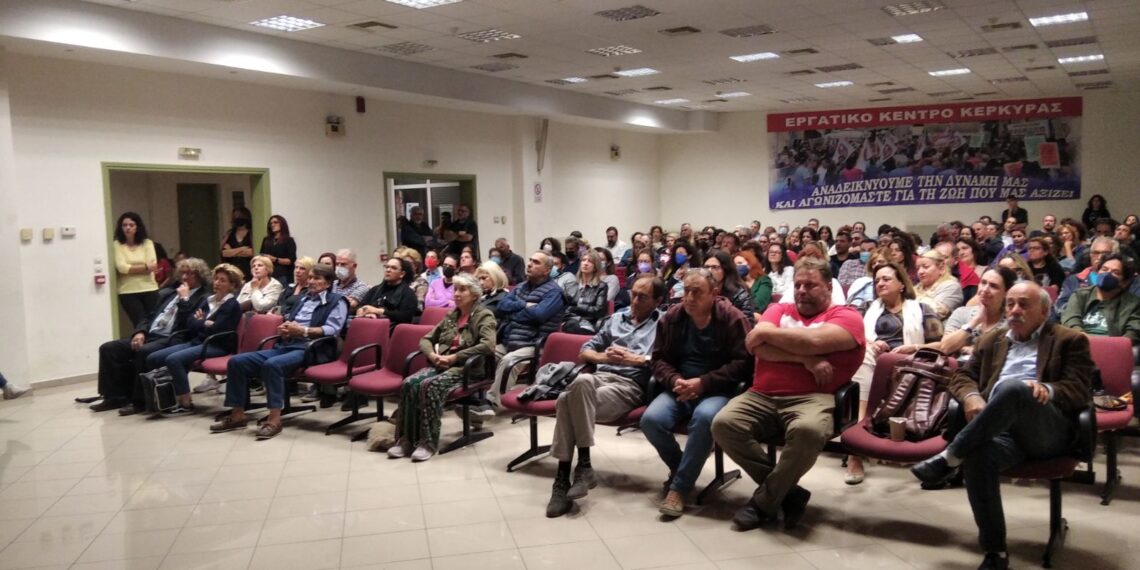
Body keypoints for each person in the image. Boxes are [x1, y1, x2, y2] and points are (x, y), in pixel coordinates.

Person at [911, 281, 1093, 570]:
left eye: (1024, 304)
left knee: (1014, 388)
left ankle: (950, 456)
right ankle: (995, 552)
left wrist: (1048, 389)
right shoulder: (991, 339)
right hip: (999, 430)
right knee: (978, 455)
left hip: (1046, 431)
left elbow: (1080, 389)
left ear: (1044, 311)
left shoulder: (1069, 340)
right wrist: (971, 397)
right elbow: (961, 376)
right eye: (1010, 304)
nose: (1014, 310)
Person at [712, 257, 866, 530]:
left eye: (810, 285)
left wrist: (772, 337)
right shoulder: (778, 309)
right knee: (723, 424)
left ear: (829, 287)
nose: (801, 291)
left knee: (808, 430)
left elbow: (814, 340)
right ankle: (789, 493)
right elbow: (755, 344)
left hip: (813, 397)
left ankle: (763, 504)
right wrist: (805, 359)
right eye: (797, 285)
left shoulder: (847, 316)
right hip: (761, 394)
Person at [546, 276, 666, 517]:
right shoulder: (616, 319)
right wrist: (605, 357)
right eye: (633, 294)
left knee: (565, 400)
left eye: (642, 297)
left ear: (658, 300)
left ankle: (562, 479)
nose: (634, 300)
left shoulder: (664, 324)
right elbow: (585, 352)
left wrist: (637, 359)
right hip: (599, 378)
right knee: (581, 382)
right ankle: (583, 467)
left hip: (629, 386)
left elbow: (668, 359)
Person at [640, 269, 751, 518]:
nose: (689, 298)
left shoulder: (732, 318)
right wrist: (675, 380)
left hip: (717, 389)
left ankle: (680, 488)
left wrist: (703, 383)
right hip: (679, 387)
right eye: (686, 291)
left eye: (697, 292)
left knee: (703, 418)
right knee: (651, 420)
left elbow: (744, 364)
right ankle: (683, 468)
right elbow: (658, 359)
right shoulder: (673, 317)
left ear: (714, 293)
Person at [210, 263, 347, 440]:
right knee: (237, 362)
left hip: (311, 348)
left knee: (272, 365)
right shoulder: (303, 299)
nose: (311, 281)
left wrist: (303, 331)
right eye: (311, 277)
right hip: (286, 344)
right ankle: (238, 416)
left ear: (328, 283)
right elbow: (291, 320)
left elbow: (333, 330)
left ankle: (274, 420)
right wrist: (285, 328)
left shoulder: (337, 301)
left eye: (317, 278)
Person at [848, 262, 943, 482]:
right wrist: (871, 342)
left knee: (871, 358)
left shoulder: (922, 309)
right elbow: (852, 334)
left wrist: (913, 347)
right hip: (874, 362)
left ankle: (860, 442)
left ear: (901, 284)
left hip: (910, 362)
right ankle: (856, 450)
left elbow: (941, 345)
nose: (880, 283)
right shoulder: (866, 308)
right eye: (877, 280)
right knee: (863, 353)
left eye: (886, 279)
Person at [387, 273, 496, 461]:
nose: (457, 294)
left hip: (469, 370)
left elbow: (488, 345)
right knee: (409, 383)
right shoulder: (452, 316)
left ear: (474, 294)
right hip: (443, 364)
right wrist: (432, 355)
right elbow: (426, 339)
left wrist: (456, 357)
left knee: (430, 386)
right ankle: (405, 439)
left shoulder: (484, 316)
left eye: (462, 290)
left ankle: (427, 443)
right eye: (455, 289)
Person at [93, 258, 211, 413]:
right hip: (151, 334)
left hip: (172, 338)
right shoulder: (169, 293)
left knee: (144, 351)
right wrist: (140, 332)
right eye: (182, 273)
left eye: (189, 274)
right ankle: (114, 397)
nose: (184, 277)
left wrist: (184, 299)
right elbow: (148, 316)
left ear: (199, 276)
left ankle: (139, 402)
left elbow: (188, 323)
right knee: (109, 348)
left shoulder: (204, 298)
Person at [144, 263, 244, 416]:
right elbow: (190, 323)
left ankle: (185, 402)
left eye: (222, 280)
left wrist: (202, 322)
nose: (217, 283)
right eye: (216, 279)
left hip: (217, 345)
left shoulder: (232, 305)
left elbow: (218, 329)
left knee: (174, 359)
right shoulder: (208, 300)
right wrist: (205, 323)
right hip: (198, 341)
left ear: (232, 285)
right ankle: (165, 398)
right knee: (153, 357)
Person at [485, 251, 566, 407]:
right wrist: (524, 305)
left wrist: (513, 314)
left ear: (547, 270)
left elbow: (538, 315)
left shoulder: (554, 292)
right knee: (483, 352)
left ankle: (491, 403)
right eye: (530, 260)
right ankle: (474, 395)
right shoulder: (521, 287)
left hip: (533, 344)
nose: (529, 264)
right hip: (510, 340)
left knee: (509, 361)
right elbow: (501, 306)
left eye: (536, 262)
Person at [1061, 254, 1140, 346]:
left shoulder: (1133, 303)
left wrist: (1109, 346)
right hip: (1080, 344)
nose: (1107, 274)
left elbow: (1133, 333)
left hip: (1112, 347)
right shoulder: (1080, 295)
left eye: (1115, 272)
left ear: (1124, 281)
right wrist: (1085, 340)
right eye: (1104, 269)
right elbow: (1070, 319)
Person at [938, 267, 1016, 359]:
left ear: (1006, 293)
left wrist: (973, 349)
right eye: (983, 283)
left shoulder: (1011, 323)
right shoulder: (961, 313)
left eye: (993, 286)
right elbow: (945, 348)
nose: (985, 289)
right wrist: (975, 321)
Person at [113, 212, 160, 328]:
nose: (128, 228)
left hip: (150, 288)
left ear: (137, 227)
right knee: (140, 323)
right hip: (128, 291)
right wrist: (145, 267)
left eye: (131, 225)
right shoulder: (117, 245)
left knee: (154, 323)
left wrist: (132, 268)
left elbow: (153, 265)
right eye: (124, 225)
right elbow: (122, 268)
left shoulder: (147, 243)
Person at [357, 257, 418, 328]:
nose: (388, 270)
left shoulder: (408, 294)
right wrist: (365, 313)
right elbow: (360, 306)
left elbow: (405, 317)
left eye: (393, 268)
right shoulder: (375, 289)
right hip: (370, 325)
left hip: (392, 329)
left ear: (402, 274)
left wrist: (378, 311)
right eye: (387, 267)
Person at [703, 250, 757, 325]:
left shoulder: (740, 296)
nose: (709, 271)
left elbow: (747, 324)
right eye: (706, 267)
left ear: (725, 270)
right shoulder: (699, 292)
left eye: (715, 267)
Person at [563, 249, 609, 334]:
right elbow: (564, 309)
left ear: (595, 267)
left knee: (573, 327)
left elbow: (599, 311)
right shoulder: (571, 285)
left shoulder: (601, 286)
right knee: (571, 325)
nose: (585, 263)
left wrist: (577, 307)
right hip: (571, 321)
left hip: (590, 323)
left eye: (590, 261)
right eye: (583, 260)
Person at [914, 250, 964, 320]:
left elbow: (934, 313)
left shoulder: (951, 286)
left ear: (941, 268)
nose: (920, 272)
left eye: (926, 267)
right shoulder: (914, 288)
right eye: (917, 268)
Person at [259, 215, 297, 284]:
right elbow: (261, 255)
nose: (272, 225)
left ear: (282, 224)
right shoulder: (266, 240)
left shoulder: (289, 240)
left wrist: (275, 259)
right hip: (268, 274)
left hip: (283, 274)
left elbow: (291, 260)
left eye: (275, 222)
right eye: (271, 223)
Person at [220, 206, 254, 281]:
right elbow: (224, 253)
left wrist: (232, 251)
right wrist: (242, 249)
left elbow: (252, 252)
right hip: (232, 274)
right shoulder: (229, 234)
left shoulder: (252, 234)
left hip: (249, 273)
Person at [737, 249, 772, 315]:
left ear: (750, 264)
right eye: (735, 265)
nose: (737, 267)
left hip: (758, 316)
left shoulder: (764, 280)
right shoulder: (736, 282)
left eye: (740, 263)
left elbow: (759, 304)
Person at [956, 238, 984, 302]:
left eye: (964, 248)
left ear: (974, 250)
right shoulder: (954, 272)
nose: (961, 253)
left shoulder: (985, 270)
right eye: (957, 250)